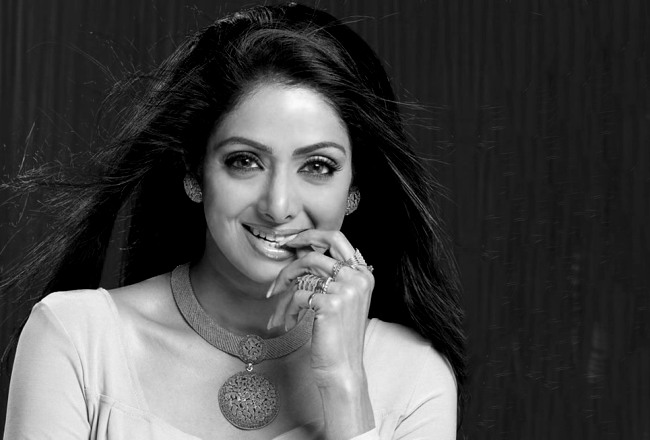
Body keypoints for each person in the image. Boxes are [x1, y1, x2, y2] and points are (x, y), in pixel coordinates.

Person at [2, 3, 465, 439]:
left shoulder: (413, 374)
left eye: (317, 166)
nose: (278, 206)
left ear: (354, 189)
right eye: (245, 161)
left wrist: (345, 384)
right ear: (194, 173)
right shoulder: (75, 339)